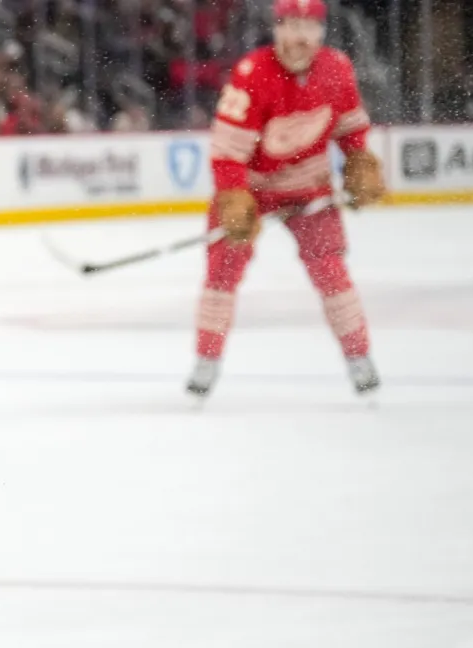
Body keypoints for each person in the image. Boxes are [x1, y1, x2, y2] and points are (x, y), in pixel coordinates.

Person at [187, 0, 384, 398]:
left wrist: (359, 160)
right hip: (252, 188)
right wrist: (234, 197)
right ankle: (206, 362)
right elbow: (227, 151)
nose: (298, 37)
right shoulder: (251, 74)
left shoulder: (337, 69)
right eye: (290, 25)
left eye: (308, 27)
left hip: (309, 187)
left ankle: (359, 358)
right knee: (223, 270)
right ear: (276, 29)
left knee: (330, 270)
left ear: (322, 32)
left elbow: (351, 129)